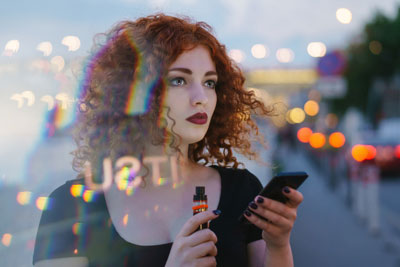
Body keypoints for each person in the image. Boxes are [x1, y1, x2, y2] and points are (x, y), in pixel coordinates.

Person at [33, 14, 304, 267]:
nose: (200, 96)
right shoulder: (71, 207)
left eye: (209, 83)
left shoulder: (242, 191)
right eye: (179, 80)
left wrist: (278, 246)